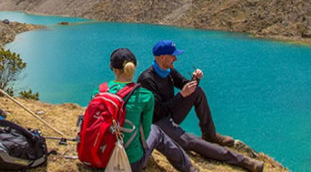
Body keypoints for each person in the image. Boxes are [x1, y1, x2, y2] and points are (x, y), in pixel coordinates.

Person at [137, 40, 264, 172]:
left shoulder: (168, 71)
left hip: (169, 115)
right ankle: (243, 161)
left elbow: (185, 85)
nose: (176, 58)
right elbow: (158, 111)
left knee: (197, 91)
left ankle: (210, 134)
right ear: (162, 57)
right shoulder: (147, 79)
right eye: (172, 55)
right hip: (157, 123)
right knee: (191, 141)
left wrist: (195, 79)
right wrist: (181, 95)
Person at [101, 48, 197, 172]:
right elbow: (146, 133)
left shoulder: (100, 91)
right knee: (156, 131)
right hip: (129, 164)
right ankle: (190, 169)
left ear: (112, 68)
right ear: (134, 67)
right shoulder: (144, 96)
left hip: (99, 157)